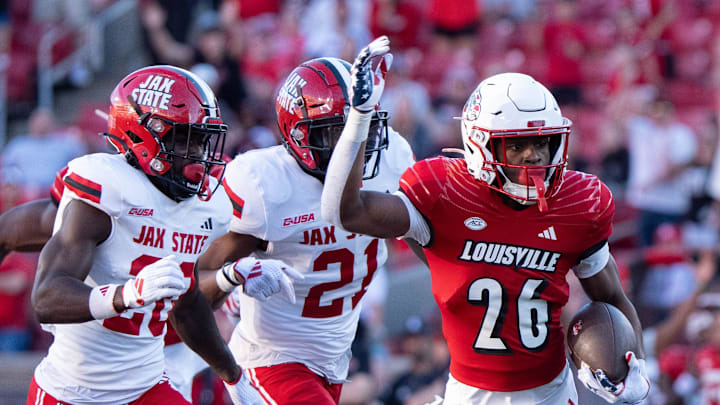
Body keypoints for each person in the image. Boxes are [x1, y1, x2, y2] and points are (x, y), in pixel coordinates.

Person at [321, 38, 650, 404]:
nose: (534, 157)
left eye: (543, 144)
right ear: (480, 145)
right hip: (471, 395)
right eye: (517, 145)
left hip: (551, 393)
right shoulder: (444, 194)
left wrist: (635, 367)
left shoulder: (577, 204)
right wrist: (359, 117)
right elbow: (344, 212)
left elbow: (611, 298)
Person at [26, 65, 269, 405]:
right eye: (187, 140)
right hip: (73, 391)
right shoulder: (106, 188)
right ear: (145, 133)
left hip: (147, 386)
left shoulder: (207, 205)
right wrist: (126, 295)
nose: (199, 156)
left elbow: (186, 301)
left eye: (203, 141)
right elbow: (46, 298)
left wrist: (233, 375)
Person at [196, 37, 417, 404]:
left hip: (337, 355)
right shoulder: (264, 185)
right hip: (272, 357)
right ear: (300, 135)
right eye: (339, 131)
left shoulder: (392, 157)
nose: (354, 143)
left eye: (360, 127)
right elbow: (196, 285)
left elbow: (426, 239)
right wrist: (230, 278)